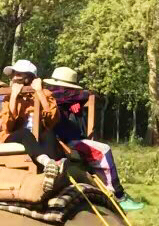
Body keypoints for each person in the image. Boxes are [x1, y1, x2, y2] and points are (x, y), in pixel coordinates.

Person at [43, 66, 145, 212]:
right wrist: (74, 101)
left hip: (60, 137)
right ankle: (119, 195)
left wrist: (72, 105)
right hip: (63, 141)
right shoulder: (59, 93)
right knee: (104, 150)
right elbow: (89, 95)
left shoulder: (54, 95)